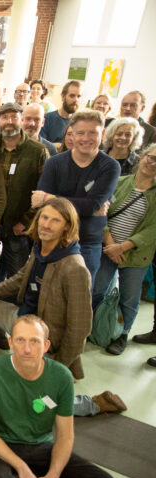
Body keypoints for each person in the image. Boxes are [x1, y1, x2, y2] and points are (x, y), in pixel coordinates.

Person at [0, 315, 116, 478]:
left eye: (35, 341)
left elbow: (66, 436)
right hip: (1, 446)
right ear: (10, 342)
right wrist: (22, 468)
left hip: (41, 447)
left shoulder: (61, 377)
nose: (27, 349)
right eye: (20, 340)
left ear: (46, 345)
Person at [0, 197, 92, 378]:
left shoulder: (75, 268)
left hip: (45, 338)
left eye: (55, 220)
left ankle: (94, 403)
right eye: (44, 218)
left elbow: (79, 329)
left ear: (67, 226)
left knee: (22, 395)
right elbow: (18, 280)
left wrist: (57, 367)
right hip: (22, 317)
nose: (46, 225)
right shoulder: (39, 248)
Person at [34, 109, 121, 285]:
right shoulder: (54, 163)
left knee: (78, 301)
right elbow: (43, 206)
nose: (86, 138)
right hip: (53, 239)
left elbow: (92, 205)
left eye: (93, 133)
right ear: (71, 133)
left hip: (86, 244)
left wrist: (50, 198)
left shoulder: (110, 167)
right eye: (80, 133)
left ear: (102, 134)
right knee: (42, 294)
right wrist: (85, 206)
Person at [94, 144, 156, 355]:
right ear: (142, 156)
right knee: (97, 289)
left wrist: (124, 246)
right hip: (107, 248)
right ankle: (92, 327)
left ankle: (122, 334)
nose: (152, 162)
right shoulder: (119, 182)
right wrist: (110, 242)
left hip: (136, 254)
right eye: (150, 156)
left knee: (130, 297)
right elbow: (101, 212)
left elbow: (153, 229)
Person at [0, 102, 49, 284]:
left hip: (19, 226)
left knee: (17, 278)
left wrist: (26, 221)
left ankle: (14, 311)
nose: (9, 121)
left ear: (21, 120)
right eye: (5, 117)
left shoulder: (38, 152)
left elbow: (43, 191)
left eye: (14, 117)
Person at [40, 80, 82, 145]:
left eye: (78, 96)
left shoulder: (80, 121)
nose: (75, 100)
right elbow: (41, 145)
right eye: (72, 96)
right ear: (63, 97)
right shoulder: (47, 119)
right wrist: (54, 146)